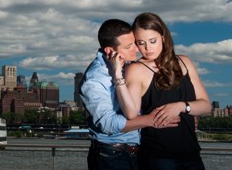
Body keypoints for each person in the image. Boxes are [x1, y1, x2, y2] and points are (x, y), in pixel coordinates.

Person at [114, 12, 211, 170]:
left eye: (152, 41)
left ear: (163, 37)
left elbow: (206, 106)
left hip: (192, 154)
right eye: (141, 43)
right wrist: (118, 74)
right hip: (158, 157)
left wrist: (181, 106)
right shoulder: (136, 69)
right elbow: (130, 114)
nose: (147, 48)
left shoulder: (184, 62)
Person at [79, 19, 179, 170]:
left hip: (138, 153)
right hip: (110, 156)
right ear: (109, 51)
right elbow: (107, 124)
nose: (137, 49)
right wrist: (152, 120)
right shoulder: (95, 80)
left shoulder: (129, 66)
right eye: (128, 46)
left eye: (134, 43)